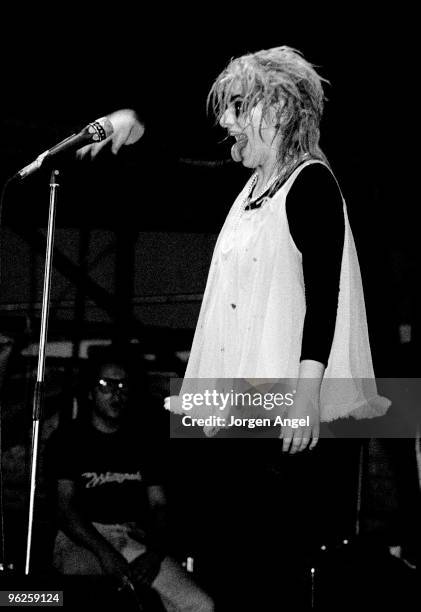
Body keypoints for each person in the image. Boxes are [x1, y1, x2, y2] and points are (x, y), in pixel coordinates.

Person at [79, 46, 390, 449]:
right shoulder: (250, 184)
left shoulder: (312, 185)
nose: (226, 120)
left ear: (278, 110)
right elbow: (181, 171)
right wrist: (136, 128)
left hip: (288, 406)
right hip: (244, 400)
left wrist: (306, 396)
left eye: (239, 107)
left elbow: (324, 296)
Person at [45, 351, 214, 612]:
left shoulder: (142, 441)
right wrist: (105, 553)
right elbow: (64, 507)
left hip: (130, 537)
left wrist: (154, 555)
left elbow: (159, 505)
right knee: (101, 597)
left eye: (123, 385)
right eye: (106, 385)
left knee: (200, 605)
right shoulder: (68, 439)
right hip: (82, 540)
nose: (116, 392)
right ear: (90, 392)